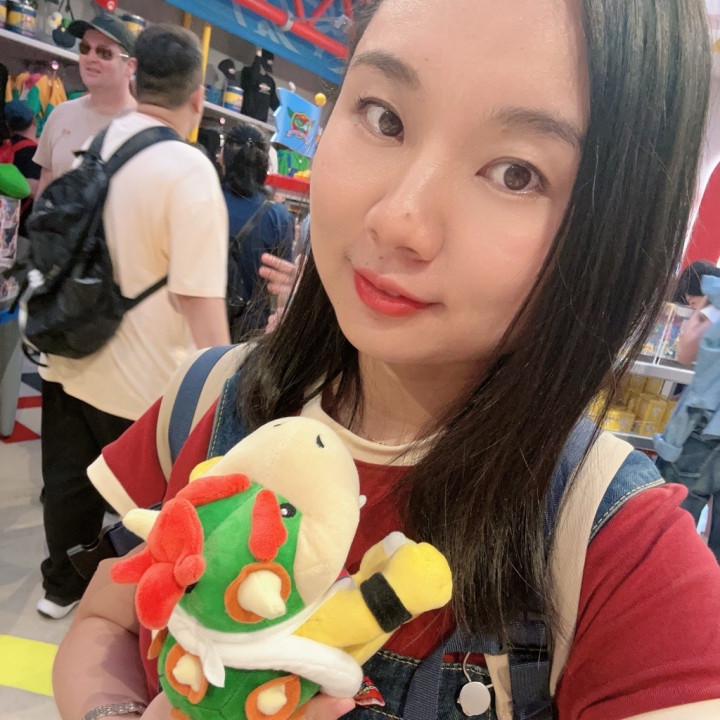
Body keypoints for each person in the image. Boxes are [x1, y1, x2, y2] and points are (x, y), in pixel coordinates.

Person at [55, 1, 720, 718]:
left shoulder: (621, 550)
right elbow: (107, 621)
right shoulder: (215, 397)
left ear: (618, 228)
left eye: (516, 173)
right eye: (384, 118)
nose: (399, 219)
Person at [36, 24, 230, 620]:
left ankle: (60, 588)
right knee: (145, 505)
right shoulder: (190, 171)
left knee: (67, 484)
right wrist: (226, 392)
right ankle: (126, 608)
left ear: (136, 77)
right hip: (142, 383)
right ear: (197, 98)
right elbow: (199, 298)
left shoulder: (97, 141)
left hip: (67, 351)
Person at [655, 260, 720, 561]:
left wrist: (701, 309)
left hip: (705, 435)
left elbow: (684, 352)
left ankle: (664, 577)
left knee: (673, 521)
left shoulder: (713, 304)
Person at [33, 12, 137, 196]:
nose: (91, 57)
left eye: (104, 53)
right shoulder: (60, 114)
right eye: (85, 48)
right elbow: (46, 184)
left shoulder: (143, 127)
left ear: (130, 66)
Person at [222, 123, 294, 337]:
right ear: (265, 166)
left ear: (223, 158)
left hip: (196, 321)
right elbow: (279, 284)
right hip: (249, 332)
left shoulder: (204, 199)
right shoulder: (278, 216)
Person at [2, 100, 40, 237]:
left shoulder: (6, 145)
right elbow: (33, 190)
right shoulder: (31, 151)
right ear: (33, 120)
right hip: (21, 228)